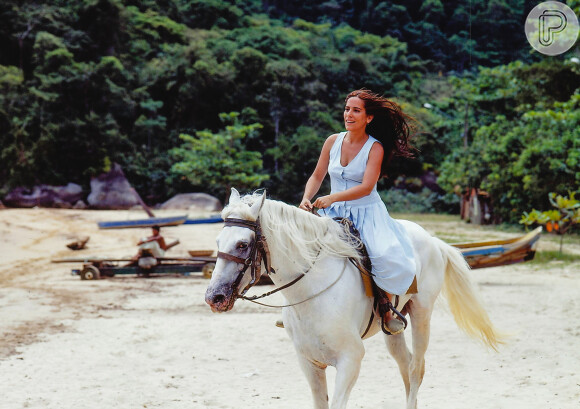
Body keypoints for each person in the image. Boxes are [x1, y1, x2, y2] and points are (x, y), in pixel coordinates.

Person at [299, 88, 417, 335]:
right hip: (332, 213)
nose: (349, 114)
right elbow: (318, 174)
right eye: (346, 109)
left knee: (381, 255)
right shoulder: (332, 141)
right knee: (303, 249)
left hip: (366, 213)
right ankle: (300, 310)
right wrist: (306, 198)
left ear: (369, 118)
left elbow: (366, 188)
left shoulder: (375, 148)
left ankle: (385, 308)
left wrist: (332, 197)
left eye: (356, 110)